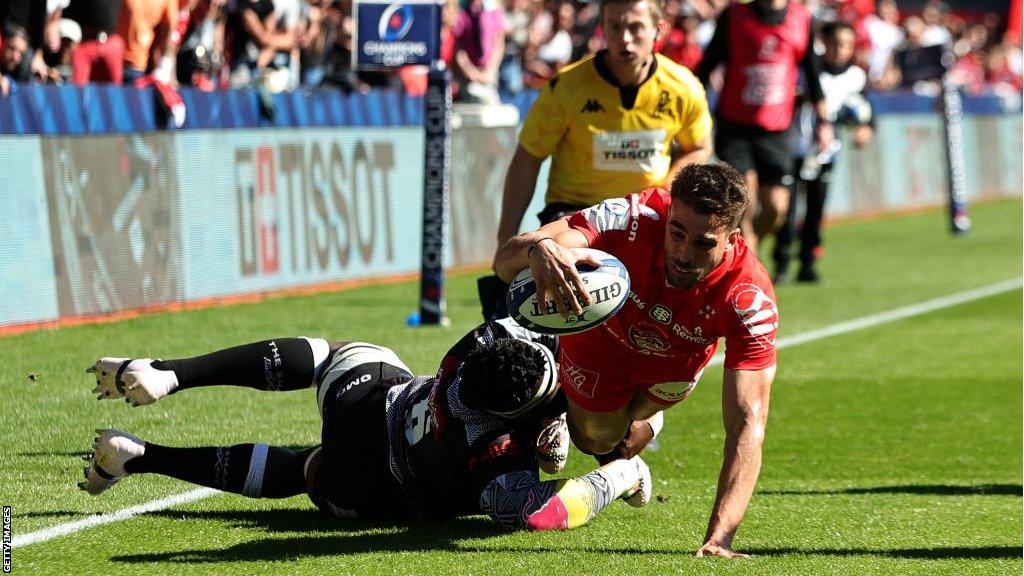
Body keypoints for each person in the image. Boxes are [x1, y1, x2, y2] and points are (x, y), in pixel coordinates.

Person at [79, 318, 652, 532]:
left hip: (372, 404)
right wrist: (621, 473)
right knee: (309, 470)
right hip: (376, 484)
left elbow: (526, 330)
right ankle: (143, 455)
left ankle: (171, 374)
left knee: (336, 354)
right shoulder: (497, 464)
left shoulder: (484, 342)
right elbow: (550, 513)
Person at [494, 162, 778, 557]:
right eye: (676, 233)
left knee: (628, 432)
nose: (683, 252)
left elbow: (749, 421)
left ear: (733, 238)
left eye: (704, 243)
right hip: (601, 344)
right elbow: (504, 263)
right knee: (597, 440)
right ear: (668, 213)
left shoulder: (749, 297)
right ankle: (571, 417)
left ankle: (624, 427)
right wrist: (537, 249)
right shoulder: (627, 217)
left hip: (673, 367)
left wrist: (720, 537)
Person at [478, 0, 713, 321]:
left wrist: (664, 194)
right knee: (563, 301)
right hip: (573, 213)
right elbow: (527, 159)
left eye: (635, 28)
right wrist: (506, 240)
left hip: (644, 217)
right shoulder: (567, 87)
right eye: (615, 27)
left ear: (659, 29)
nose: (625, 39)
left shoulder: (683, 87)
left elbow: (697, 148)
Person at [695, 0, 833, 252]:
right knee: (743, 200)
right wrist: (694, 107)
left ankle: (748, 247)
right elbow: (706, 66)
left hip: (778, 129)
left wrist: (824, 122)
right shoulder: (734, 16)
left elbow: (812, 74)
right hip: (735, 126)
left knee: (775, 208)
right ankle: (747, 263)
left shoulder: (801, 19)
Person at [774, 20, 874, 284]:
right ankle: (781, 262)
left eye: (847, 45)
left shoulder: (855, 76)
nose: (841, 50)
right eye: (836, 44)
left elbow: (866, 110)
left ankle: (808, 262)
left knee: (816, 211)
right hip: (794, 148)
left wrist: (865, 128)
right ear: (823, 43)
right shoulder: (805, 70)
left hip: (825, 153)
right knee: (787, 210)